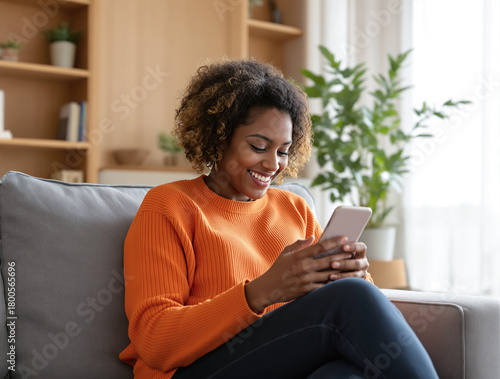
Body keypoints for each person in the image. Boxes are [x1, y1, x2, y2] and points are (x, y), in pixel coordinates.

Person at [119, 59, 438, 379]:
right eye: (259, 146)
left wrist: (352, 275)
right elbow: (154, 341)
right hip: (193, 371)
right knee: (350, 300)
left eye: (284, 151)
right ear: (219, 139)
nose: (273, 164)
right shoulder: (169, 207)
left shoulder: (294, 208)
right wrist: (262, 292)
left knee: (344, 374)